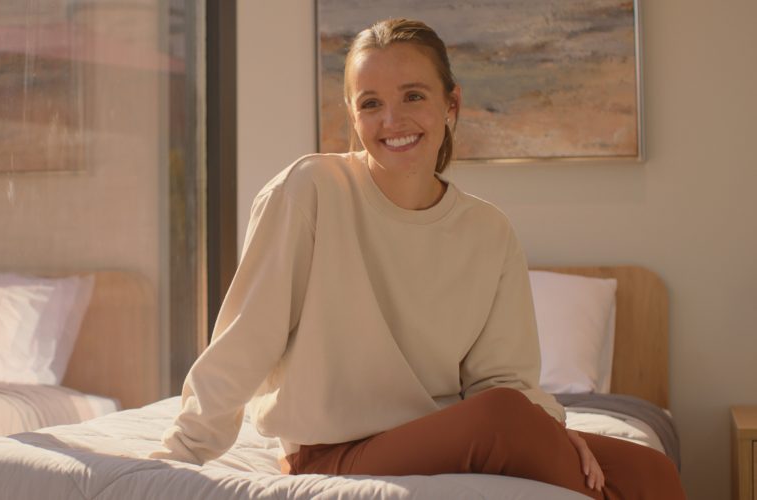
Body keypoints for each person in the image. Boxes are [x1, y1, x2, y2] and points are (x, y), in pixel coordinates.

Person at [149, 17, 684, 500]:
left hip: (445, 435)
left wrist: (552, 434)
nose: (392, 119)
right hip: (333, 453)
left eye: (412, 96)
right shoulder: (311, 191)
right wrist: (180, 452)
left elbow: (503, 379)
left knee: (652, 472)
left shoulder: (487, 231)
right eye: (371, 102)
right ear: (353, 117)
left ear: (451, 105)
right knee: (504, 421)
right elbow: (248, 337)